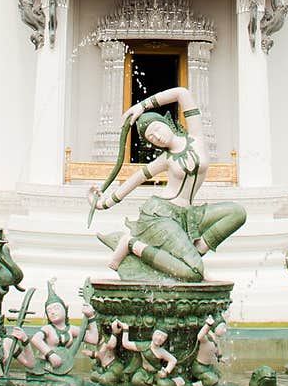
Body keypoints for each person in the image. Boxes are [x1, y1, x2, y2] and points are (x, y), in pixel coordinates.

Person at [88, 85, 246, 281]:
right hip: (161, 216)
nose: (157, 136)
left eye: (156, 128)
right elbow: (136, 179)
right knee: (195, 273)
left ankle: (195, 252)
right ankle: (132, 244)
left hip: (189, 216)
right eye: (151, 138)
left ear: (165, 122)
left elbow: (182, 93)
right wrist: (102, 203)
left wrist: (142, 106)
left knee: (237, 213)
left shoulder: (196, 137)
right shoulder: (165, 159)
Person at [30, 281, 98, 370]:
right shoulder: (48, 329)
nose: (53, 312)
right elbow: (35, 339)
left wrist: (91, 317)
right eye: (49, 311)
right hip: (46, 366)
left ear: (64, 310)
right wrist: (50, 354)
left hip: (62, 368)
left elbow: (93, 339)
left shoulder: (71, 329)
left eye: (56, 308)